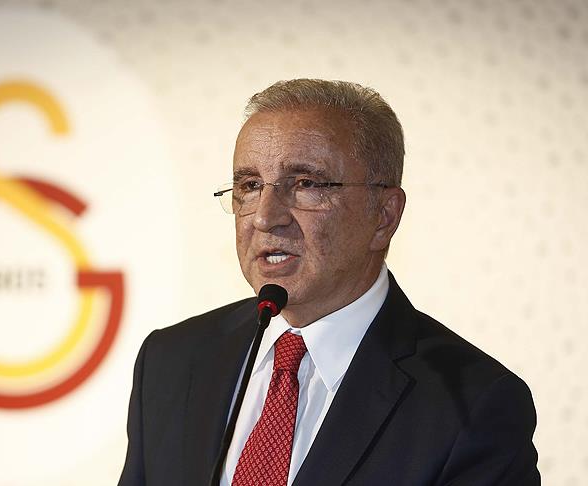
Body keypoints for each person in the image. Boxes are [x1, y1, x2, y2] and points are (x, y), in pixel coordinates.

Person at [118, 79, 539, 485]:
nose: (265, 217)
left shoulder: (473, 406)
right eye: (249, 185)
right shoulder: (170, 361)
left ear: (384, 216)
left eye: (305, 184)